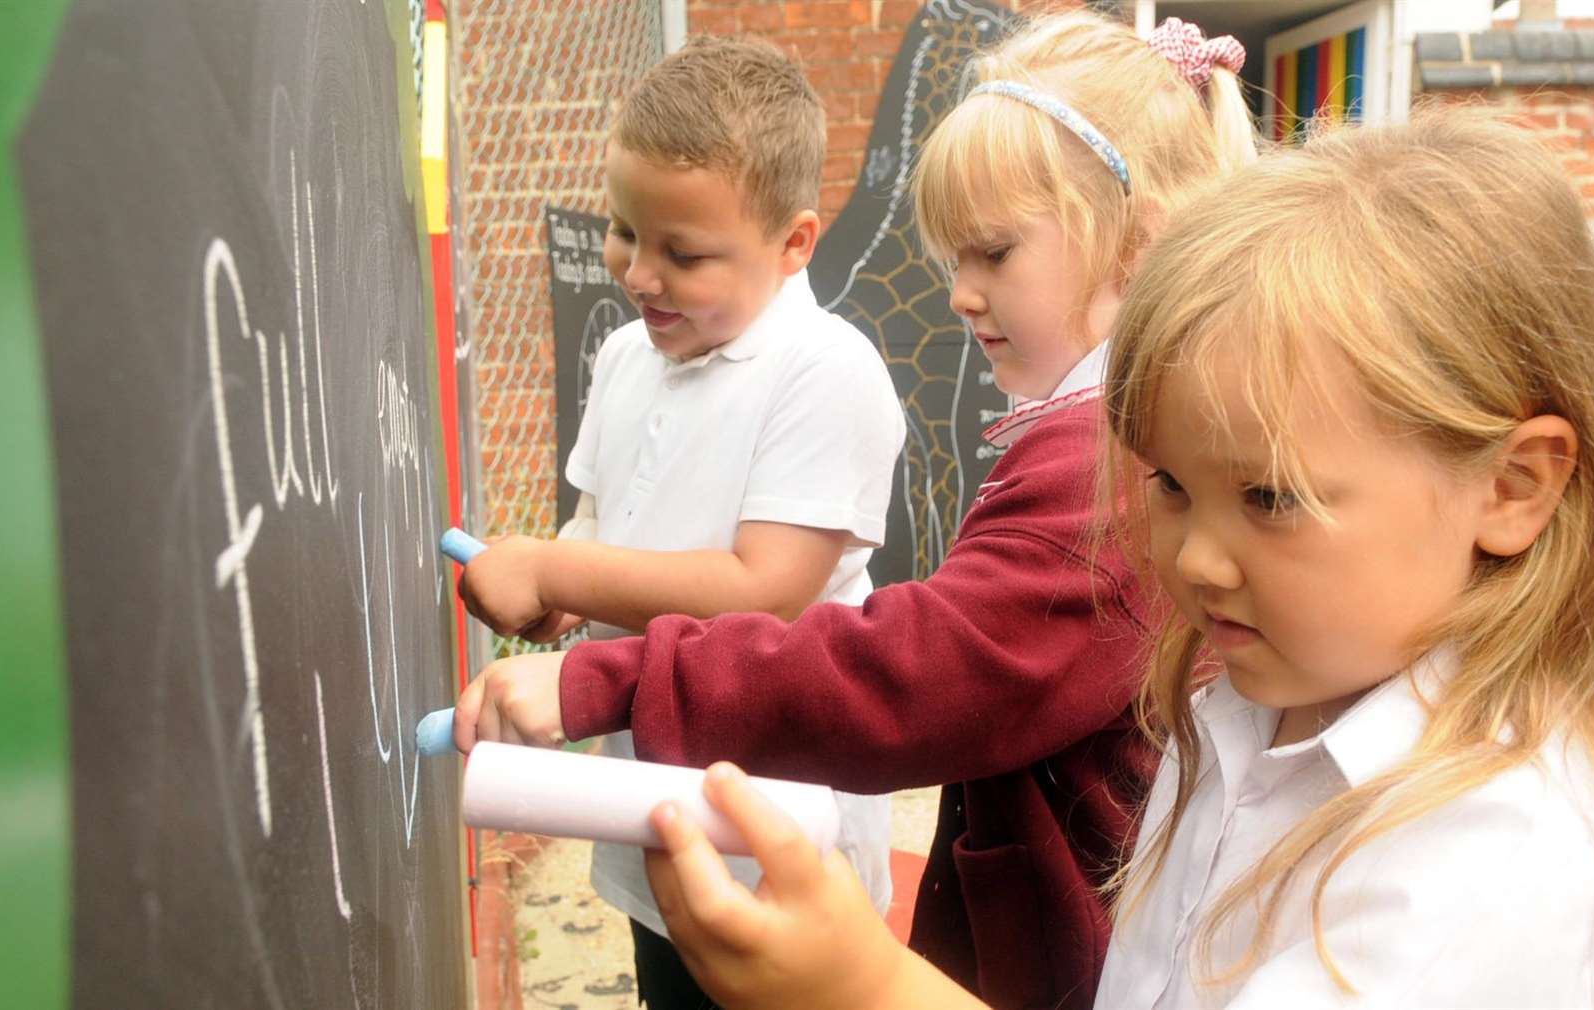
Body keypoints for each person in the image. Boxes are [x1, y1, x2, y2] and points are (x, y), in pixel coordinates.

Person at [637, 112, 1594, 1010]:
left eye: (1268, 496)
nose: (1194, 557)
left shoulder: (1490, 859)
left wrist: (860, 987)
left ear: (1513, 486)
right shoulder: (1252, 700)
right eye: (1168, 483)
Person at [455, 14, 1256, 1010]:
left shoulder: (1102, 460)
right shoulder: (1108, 430)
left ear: (1139, 238)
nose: (961, 294)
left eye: (994, 252)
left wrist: (612, 672)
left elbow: (920, 670)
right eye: (953, 257)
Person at [454, 35, 907, 1010]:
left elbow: (766, 586)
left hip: (775, 834)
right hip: (649, 804)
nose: (639, 273)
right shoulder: (626, 356)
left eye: (683, 252)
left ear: (794, 243)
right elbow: (597, 517)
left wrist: (554, 571)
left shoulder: (824, 370)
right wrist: (553, 590)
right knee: (668, 977)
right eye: (624, 230)